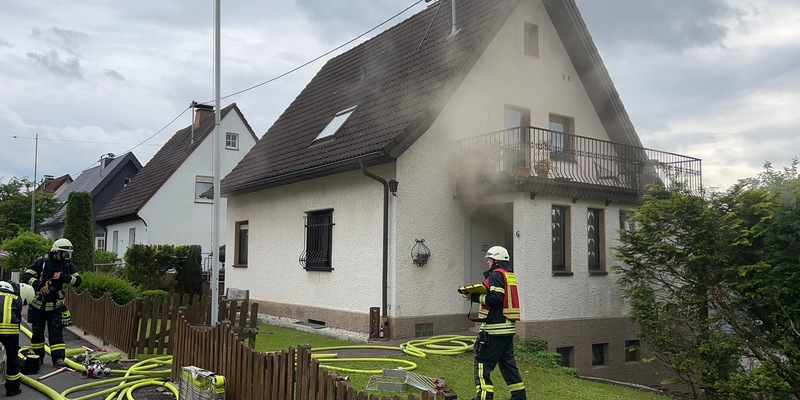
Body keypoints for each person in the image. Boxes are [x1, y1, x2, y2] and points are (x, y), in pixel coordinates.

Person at [465, 245, 526, 400]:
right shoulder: (508, 275)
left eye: (489, 259)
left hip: (493, 331)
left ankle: (484, 397)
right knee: (508, 366)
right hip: (507, 330)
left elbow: (496, 298)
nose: (487, 262)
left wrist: (474, 297)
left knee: (481, 364)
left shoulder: (496, 275)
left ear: (496, 260)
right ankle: (519, 397)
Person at [21, 238, 82, 367]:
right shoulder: (42, 263)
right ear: (55, 252)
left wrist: (63, 277)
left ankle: (58, 359)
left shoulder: (68, 266)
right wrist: (39, 285)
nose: (66, 256)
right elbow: (26, 276)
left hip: (56, 306)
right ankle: (38, 357)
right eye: (64, 253)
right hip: (38, 305)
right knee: (37, 333)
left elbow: (78, 281)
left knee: (56, 333)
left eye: (68, 254)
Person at [0, 281, 35, 397]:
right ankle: (12, 388)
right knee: (12, 359)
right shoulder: (16, 298)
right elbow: (17, 318)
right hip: (10, 332)